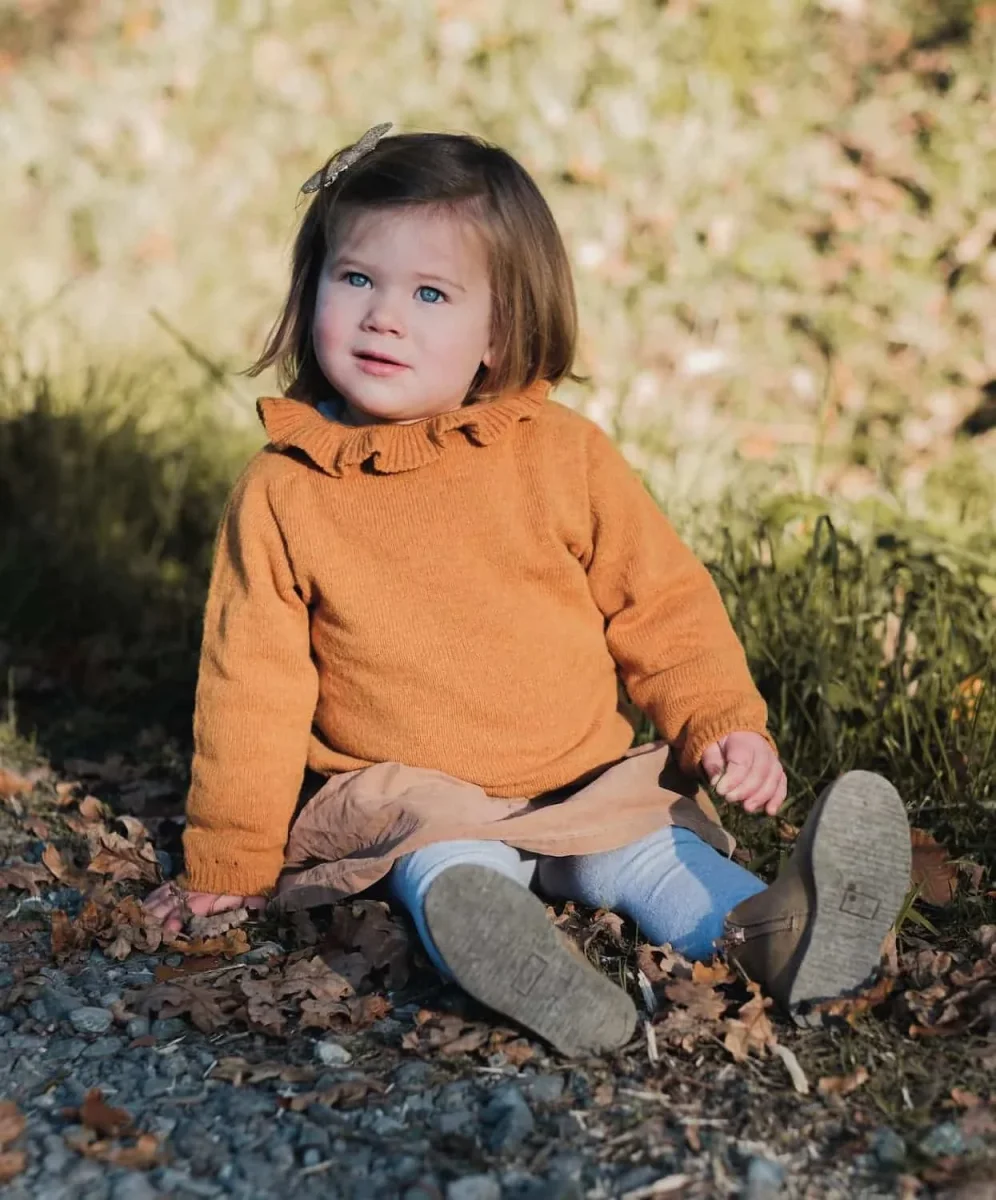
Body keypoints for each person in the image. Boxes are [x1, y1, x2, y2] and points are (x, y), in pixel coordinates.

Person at [144, 126, 911, 1057]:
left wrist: (721, 722)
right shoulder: (286, 489)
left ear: (498, 333)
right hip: (416, 794)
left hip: (581, 773)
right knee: (445, 865)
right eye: (356, 279)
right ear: (311, 289)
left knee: (654, 853)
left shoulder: (561, 454)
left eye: (430, 294)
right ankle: (520, 960)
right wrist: (230, 856)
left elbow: (659, 601)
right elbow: (251, 686)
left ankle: (775, 934)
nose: (384, 317)